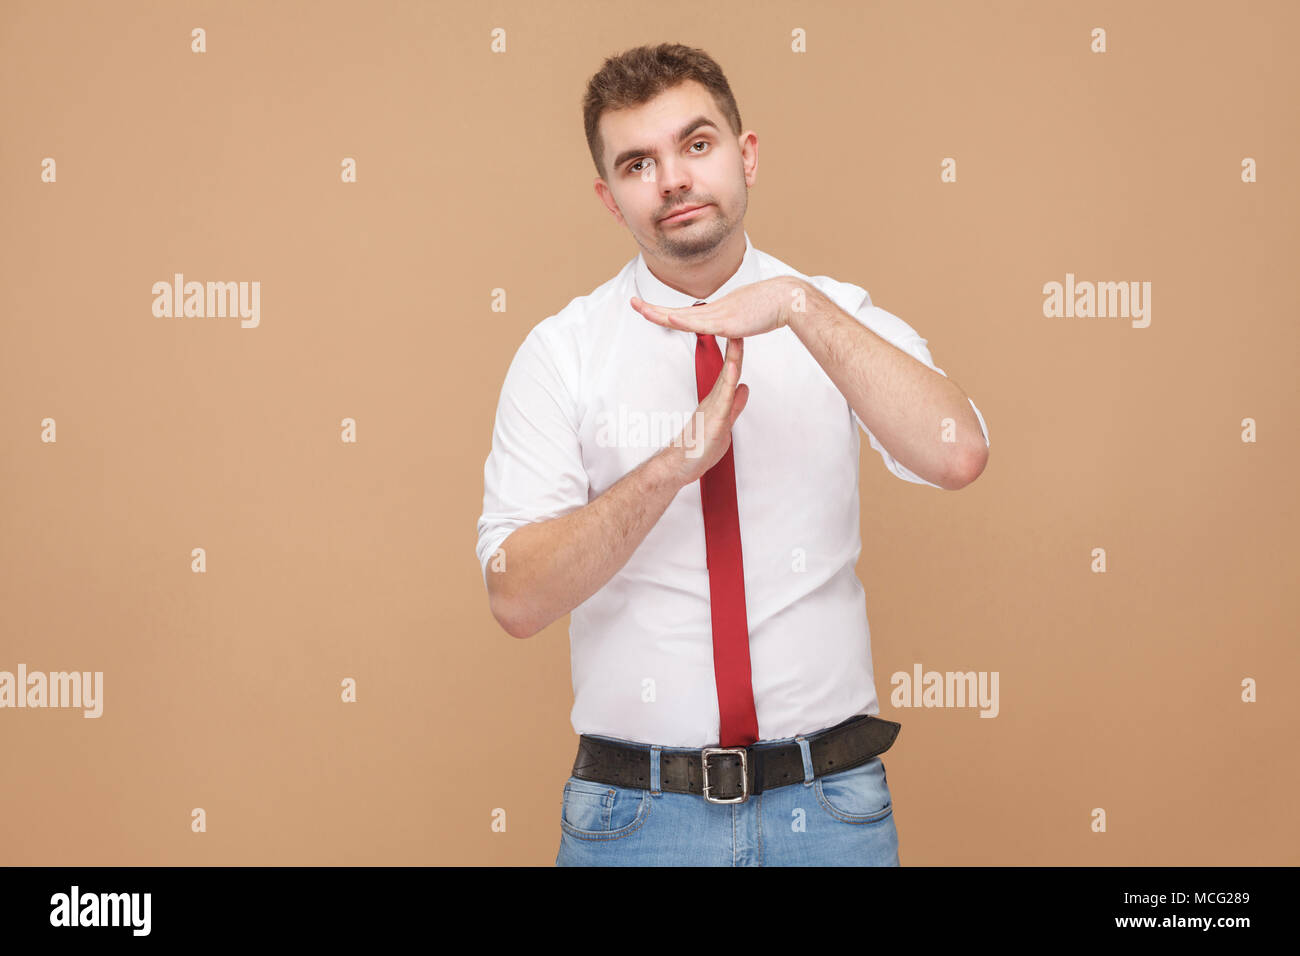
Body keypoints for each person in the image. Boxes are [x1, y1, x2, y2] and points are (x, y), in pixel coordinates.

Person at [476, 43, 989, 866]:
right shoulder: (561, 353)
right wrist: (670, 466)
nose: (673, 179)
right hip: (635, 820)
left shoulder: (835, 315)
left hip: (829, 809)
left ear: (746, 155)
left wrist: (796, 306)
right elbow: (516, 598)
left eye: (697, 144)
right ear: (611, 200)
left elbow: (956, 452)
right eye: (640, 163)